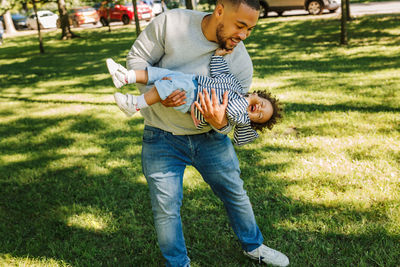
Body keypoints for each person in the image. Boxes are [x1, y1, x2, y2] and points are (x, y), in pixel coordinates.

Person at [112, 0, 290, 266]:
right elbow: (137, 60)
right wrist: (160, 95)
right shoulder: (171, 23)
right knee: (166, 207)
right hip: (161, 136)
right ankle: (178, 263)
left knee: (235, 193)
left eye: (250, 30)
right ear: (220, 10)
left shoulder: (240, 61)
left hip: (211, 139)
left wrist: (218, 123)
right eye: (240, 25)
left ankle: (254, 246)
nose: (243, 36)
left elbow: (236, 119)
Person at [106, 48, 282, 146]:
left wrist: (250, 101)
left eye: (259, 116)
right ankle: (125, 77)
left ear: (251, 122)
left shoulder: (241, 117)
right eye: (263, 105)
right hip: (194, 83)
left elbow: (232, 109)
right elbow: (221, 73)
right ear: (261, 96)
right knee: (161, 74)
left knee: (168, 85)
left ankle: (134, 104)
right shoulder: (235, 86)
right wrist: (218, 57)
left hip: (193, 99)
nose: (259, 109)